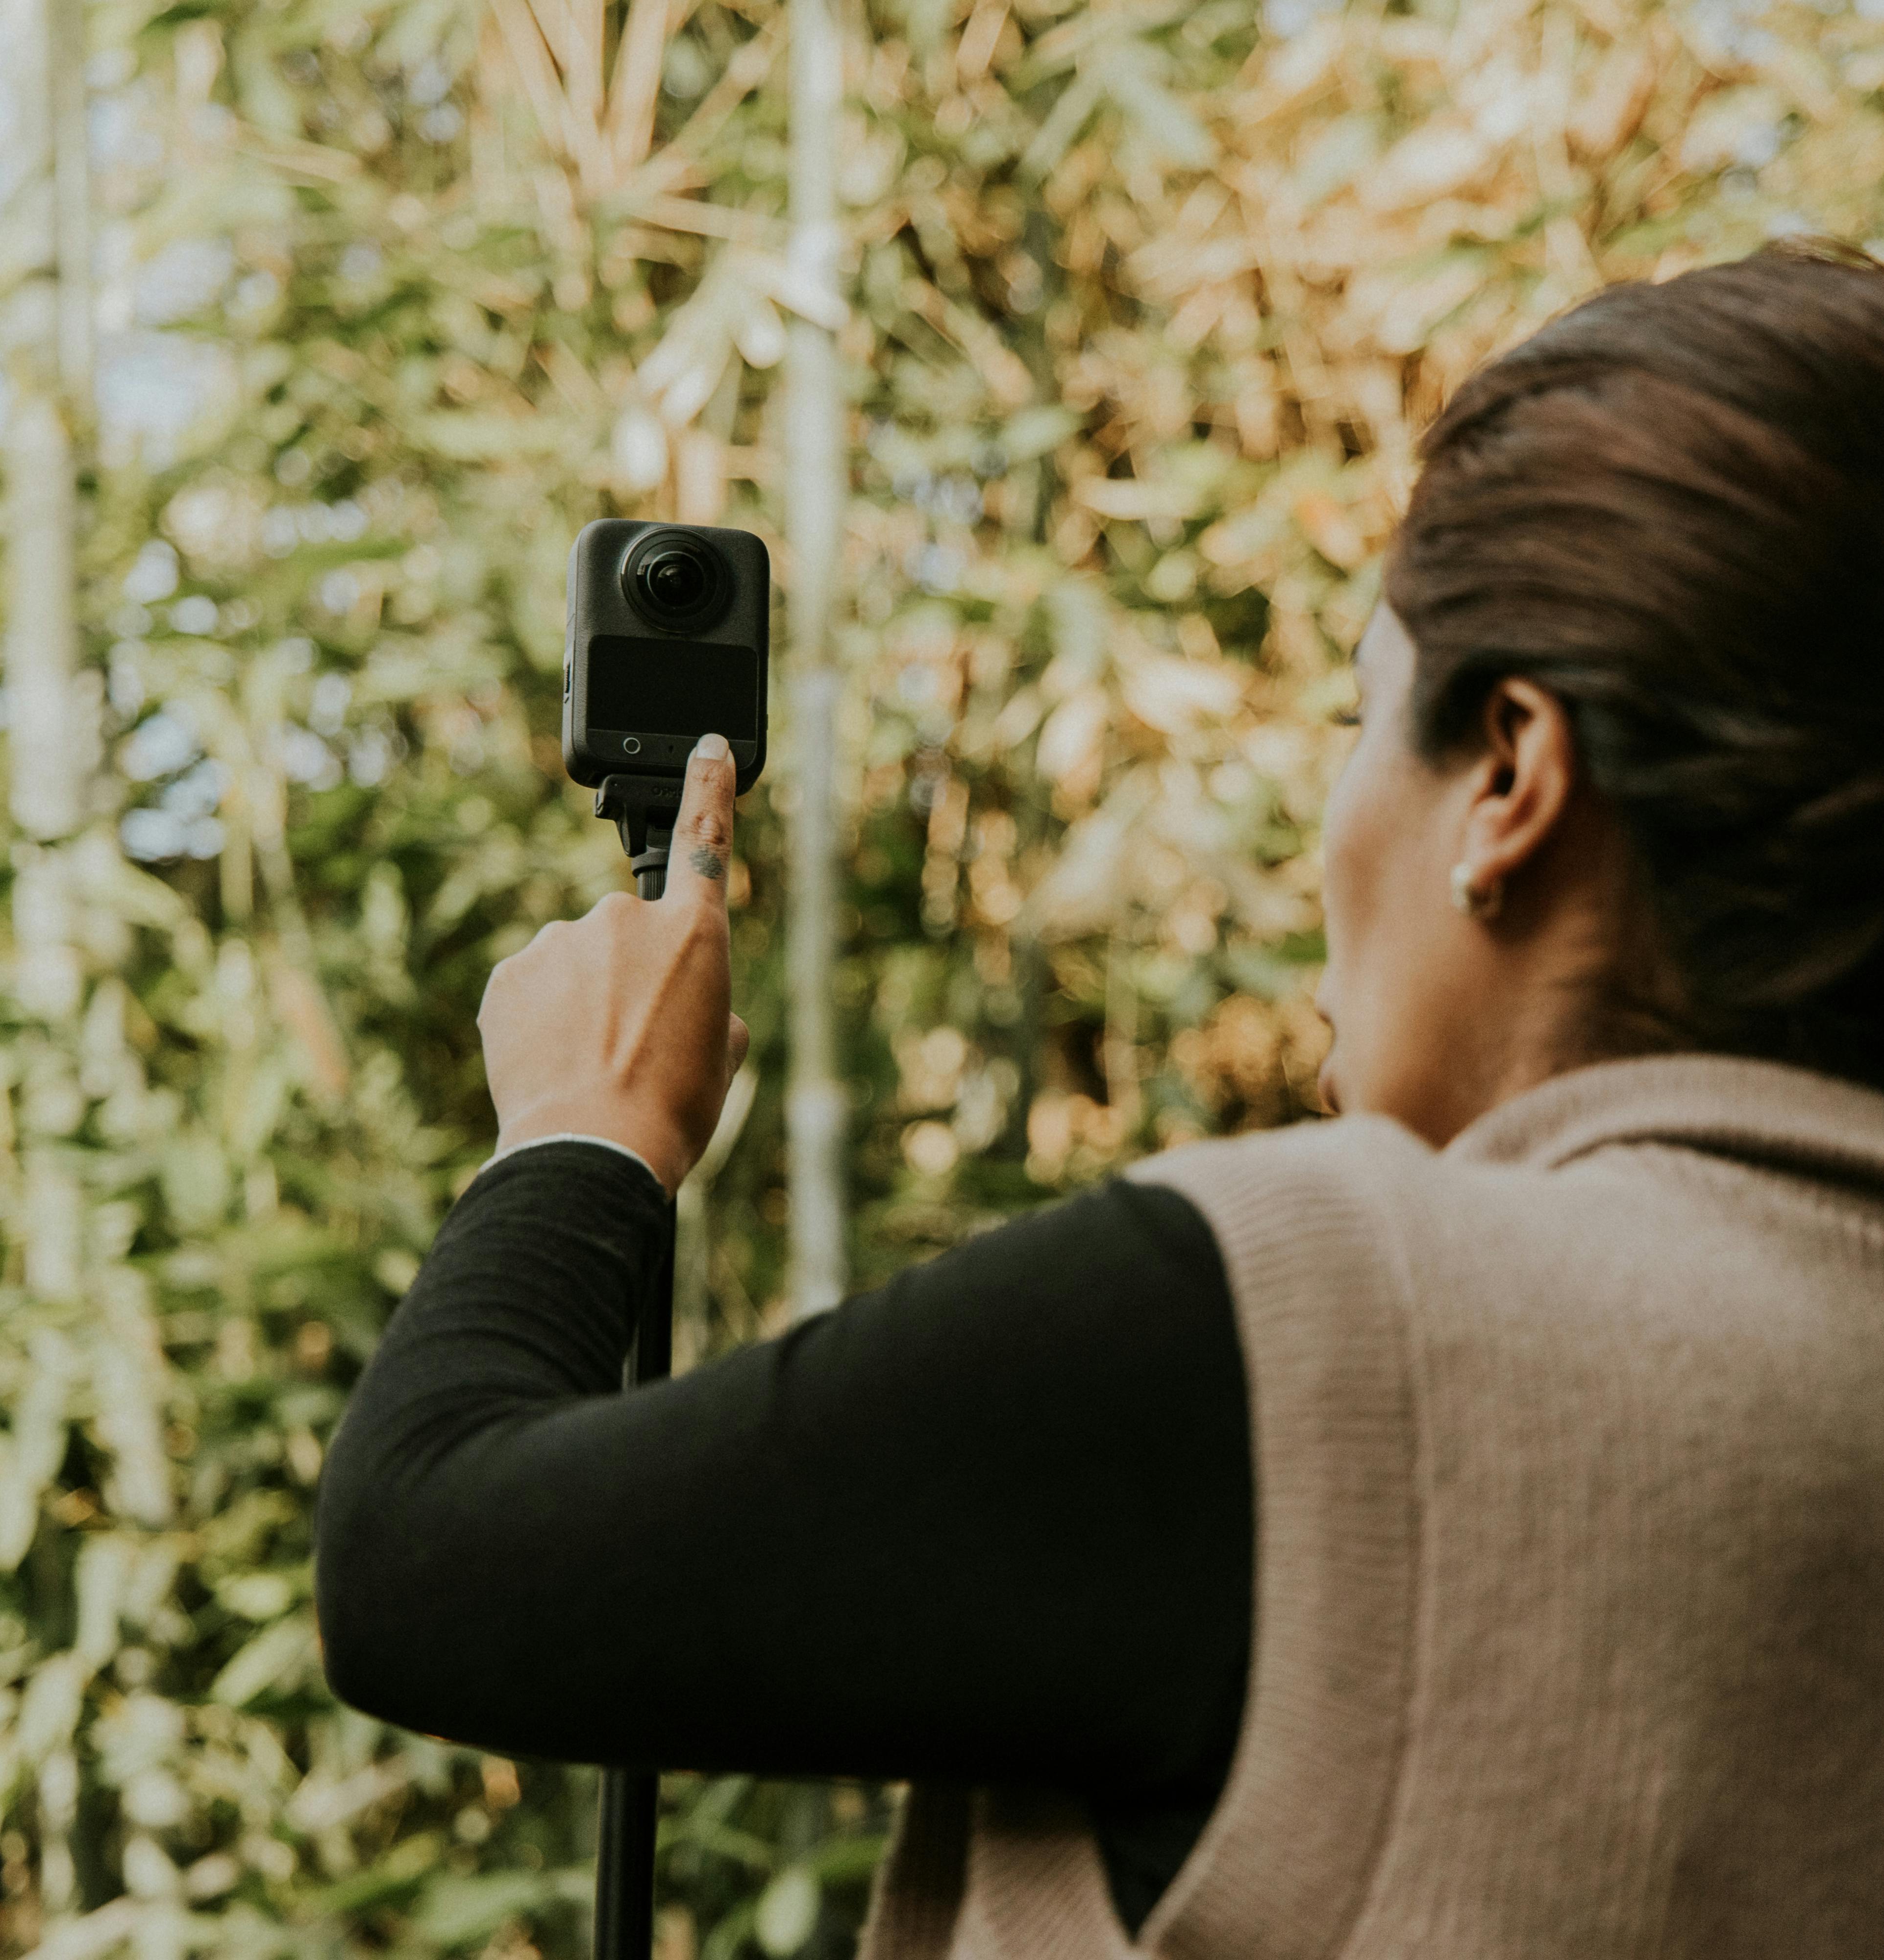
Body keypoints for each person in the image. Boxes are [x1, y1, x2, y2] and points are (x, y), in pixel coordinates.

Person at [315, 241, 1884, 1957]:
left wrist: (579, 1134)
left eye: (1365, 719)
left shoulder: (1338, 1320)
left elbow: (427, 1564)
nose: (1329, 832)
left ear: (1509, 775)